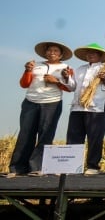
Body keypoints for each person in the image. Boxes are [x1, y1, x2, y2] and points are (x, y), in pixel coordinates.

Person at [7, 41, 76, 178]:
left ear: (61, 55)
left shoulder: (66, 67)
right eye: (50, 50)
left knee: (45, 134)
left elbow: (71, 87)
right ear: (45, 52)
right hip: (30, 102)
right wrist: (27, 70)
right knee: (25, 134)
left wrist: (56, 81)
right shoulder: (35, 65)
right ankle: (17, 168)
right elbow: (24, 84)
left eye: (56, 51)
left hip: (52, 103)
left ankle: (37, 167)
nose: (52, 53)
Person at [67, 43, 105, 175]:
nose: (90, 55)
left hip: (97, 107)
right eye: (88, 53)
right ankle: (72, 165)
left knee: (95, 137)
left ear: (100, 56)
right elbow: (72, 87)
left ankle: (93, 166)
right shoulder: (79, 69)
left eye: (94, 53)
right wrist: (67, 76)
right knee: (74, 136)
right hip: (78, 107)